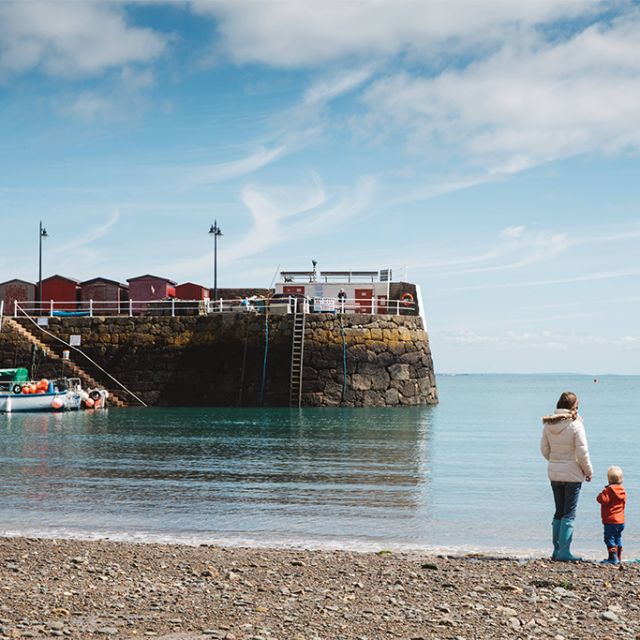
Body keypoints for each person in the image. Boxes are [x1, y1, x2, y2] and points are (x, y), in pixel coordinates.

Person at [540, 391, 593, 561]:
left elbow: (544, 450)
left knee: (559, 511)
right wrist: (588, 471)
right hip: (572, 473)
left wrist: (556, 461)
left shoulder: (549, 424)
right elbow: (582, 452)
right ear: (574, 407)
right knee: (569, 513)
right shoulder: (575, 424)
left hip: (554, 472)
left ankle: (556, 551)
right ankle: (564, 552)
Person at [596, 466, 626, 565]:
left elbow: (602, 500)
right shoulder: (622, 491)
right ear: (621, 479)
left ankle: (612, 558)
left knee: (609, 538)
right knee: (618, 537)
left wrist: (601, 493)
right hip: (620, 521)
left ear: (609, 479)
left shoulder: (608, 491)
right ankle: (618, 557)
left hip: (610, 520)